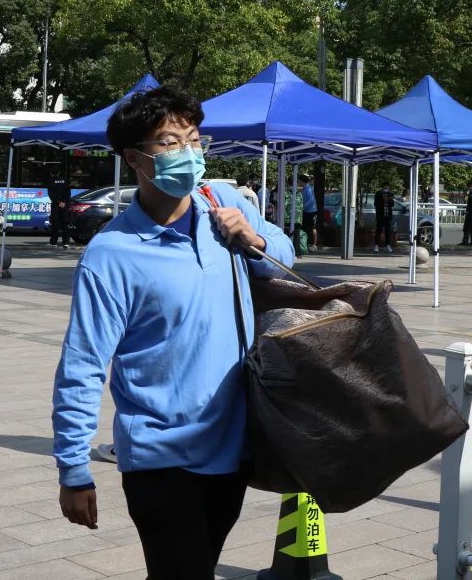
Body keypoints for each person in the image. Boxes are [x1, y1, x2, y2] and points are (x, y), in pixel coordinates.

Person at [52, 85, 293, 580]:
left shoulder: (220, 202)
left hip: (233, 449)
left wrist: (252, 238)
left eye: (195, 140)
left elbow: (284, 259)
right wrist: (74, 469)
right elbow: (83, 365)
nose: (188, 153)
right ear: (134, 158)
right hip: (159, 458)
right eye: (170, 143)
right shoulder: (111, 254)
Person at [47, 168, 71, 249]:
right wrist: (64, 202)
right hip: (65, 205)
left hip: (56, 206)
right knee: (65, 224)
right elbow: (68, 193)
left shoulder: (51, 181)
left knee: (55, 224)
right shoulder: (65, 181)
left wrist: (58, 202)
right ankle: (66, 242)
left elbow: (51, 195)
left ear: (51, 173)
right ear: (59, 173)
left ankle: (53, 242)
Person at [373, 181, 395, 253]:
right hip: (380, 215)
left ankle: (387, 245)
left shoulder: (390, 194)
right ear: (382, 188)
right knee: (378, 230)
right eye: (385, 188)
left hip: (388, 215)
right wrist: (383, 200)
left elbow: (392, 204)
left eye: (387, 188)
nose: (386, 189)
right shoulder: (378, 194)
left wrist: (389, 200)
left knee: (388, 231)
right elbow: (376, 204)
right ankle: (376, 245)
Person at [299, 173, 318, 251]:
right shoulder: (304, 188)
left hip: (311, 211)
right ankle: (305, 244)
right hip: (307, 211)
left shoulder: (308, 189)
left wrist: (302, 207)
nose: (298, 182)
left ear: (302, 181)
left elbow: (310, 201)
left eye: (299, 181)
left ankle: (314, 245)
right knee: (306, 228)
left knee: (312, 227)